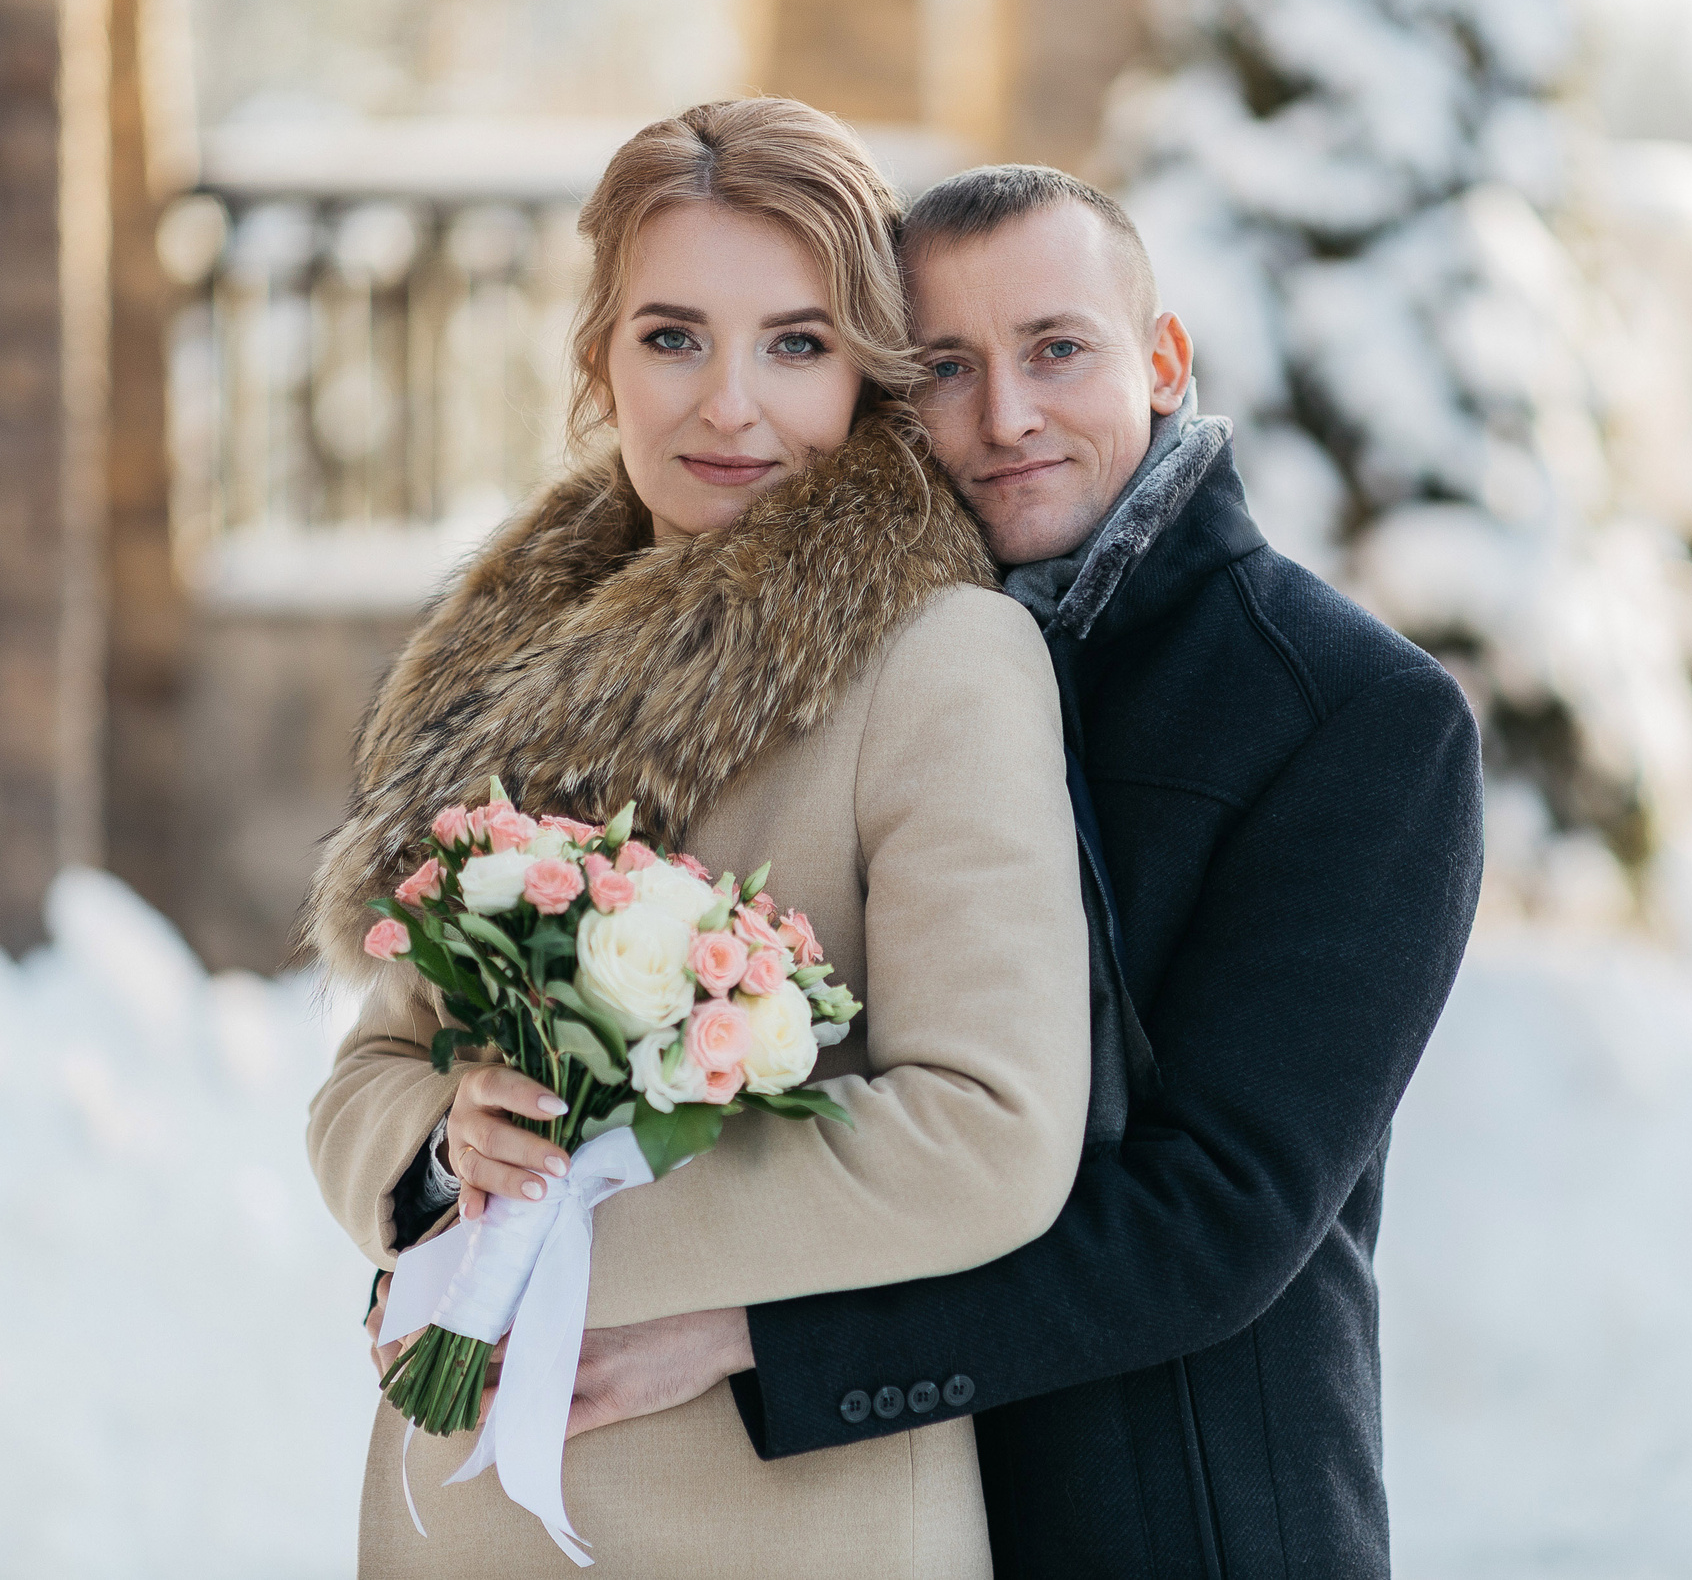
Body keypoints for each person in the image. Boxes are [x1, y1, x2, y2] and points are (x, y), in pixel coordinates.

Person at [479, 164, 1489, 1576]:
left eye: (1058, 350)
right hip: (892, 1516)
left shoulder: (1349, 714)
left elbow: (1225, 1214)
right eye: (947, 366)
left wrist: (761, 1334)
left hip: (1176, 1518)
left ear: (1163, 359)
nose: (1005, 417)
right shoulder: (847, 663)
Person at [305, 102, 1091, 1579]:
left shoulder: (944, 659)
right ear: (600, 356)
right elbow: (371, 1074)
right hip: (457, 1514)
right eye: (674, 337)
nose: (730, 404)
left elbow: (993, 1130)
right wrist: (439, 1156)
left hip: (777, 1524)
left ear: (867, 370)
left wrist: (553, 1224)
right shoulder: (516, 656)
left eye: (794, 345)